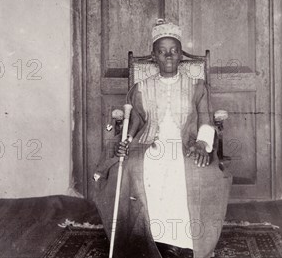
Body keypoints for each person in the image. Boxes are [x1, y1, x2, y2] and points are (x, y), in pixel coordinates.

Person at [93, 20, 232, 258]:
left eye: (174, 50)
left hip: (187, 144)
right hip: (147, 144)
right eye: (162, 51)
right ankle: (153, 239)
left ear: (181, 55)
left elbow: (205, 120)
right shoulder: (141, 88)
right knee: (136, 169)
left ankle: (184, 242)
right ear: (154, 56)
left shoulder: (197, 86)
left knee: (192, 169)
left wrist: (201, 143)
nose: (168, 56)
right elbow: (132, 125)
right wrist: (124, 141)